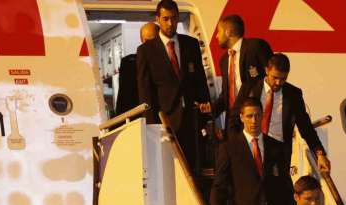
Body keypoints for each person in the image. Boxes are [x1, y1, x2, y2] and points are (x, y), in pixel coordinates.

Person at [136, 0, 211, 171]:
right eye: (166, 19)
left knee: (193, 169)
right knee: (168, 170)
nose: (171, 23)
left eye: (174, 18)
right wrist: (151, 126)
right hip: (164, 121)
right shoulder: (146, 51)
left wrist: (206, 114)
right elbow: (145, 91)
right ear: (158, 19)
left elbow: (200, 81)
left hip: (191, 119)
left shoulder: (191, 44)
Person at [230, 53, 331, 174]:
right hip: (250, 149)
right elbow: (234, 117)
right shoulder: (250, 87)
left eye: (283, 79)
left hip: (278, 155)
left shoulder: (293, 94)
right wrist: (234, 147)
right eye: (275, 77)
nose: (278, 83)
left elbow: (306, 127)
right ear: (267, 70)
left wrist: (319, 153)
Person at [212, 14, 273, 134]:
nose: (216, 36)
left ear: (228, 32)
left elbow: (270, 78)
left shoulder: (256, 47)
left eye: (219, 31)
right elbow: (226, 94)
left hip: (255, 120)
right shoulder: (224, 60)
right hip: (234, 122)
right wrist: (210, 111)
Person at [115, 22, 159, 116]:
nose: (150, 45)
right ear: (142, 40)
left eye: (154, 40)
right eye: (147, 40)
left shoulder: (168, 60)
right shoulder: (129, 63)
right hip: (136, 116)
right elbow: (123, 96)